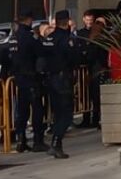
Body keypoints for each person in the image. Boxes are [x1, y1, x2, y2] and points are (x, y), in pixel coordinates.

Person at [42, 11, 80, 158]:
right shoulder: (66, 39)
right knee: (66, 114)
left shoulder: (49, 38)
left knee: (58, 112)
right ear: (66, 22)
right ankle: (56, 143)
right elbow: (73, 58)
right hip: (62, 79)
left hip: (50, 79)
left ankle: (56, 143)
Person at [8, 20, 43, 152]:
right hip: (31, 77)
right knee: (37, 109)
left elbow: (6, 55)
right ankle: (37, 140)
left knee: (22, 111)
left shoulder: (13, 37)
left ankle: (21, 139)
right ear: (29, 20)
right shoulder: (29, 36)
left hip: (19, 78)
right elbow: (39, 52)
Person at [76, 11, 108, 129]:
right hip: (86, 68)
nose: (89, 22)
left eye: (91, 20)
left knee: (95, 95)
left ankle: (95, 119)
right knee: (85, 95)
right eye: (87, 19)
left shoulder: (102, 36)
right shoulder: (81, 33)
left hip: (96, 68)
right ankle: (86, 119)